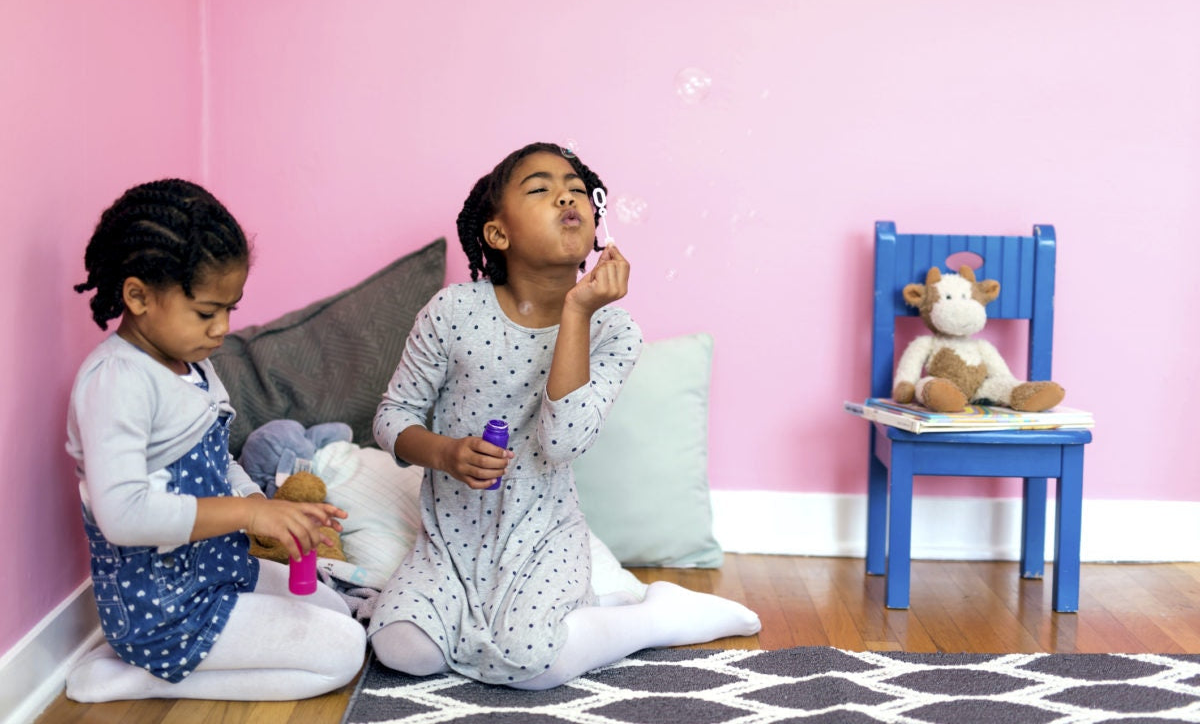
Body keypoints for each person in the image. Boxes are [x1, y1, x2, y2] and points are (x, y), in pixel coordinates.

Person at [368, 143, 760, 690]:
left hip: (543, 536)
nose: (566, 195)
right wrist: (445, 453)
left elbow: (562, 442)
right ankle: (588, 611)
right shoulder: (453, 311)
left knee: (534, 663)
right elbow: (391, 417)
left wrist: (578, 309)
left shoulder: (614, 331)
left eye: (577, 187)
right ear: (498, 234)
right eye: (540, 188)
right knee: (401, 649)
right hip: (449, 538)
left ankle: (653, 618)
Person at [64, 179, 366, 702]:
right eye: (207, 312)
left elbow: (217, 458)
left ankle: (167, 665)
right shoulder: (115, 382)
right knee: (341, 651)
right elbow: (123, 515)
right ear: (137, 296)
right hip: (162, 608)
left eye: (231, 308)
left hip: (218, 571)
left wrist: (265, 507)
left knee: (336, 612)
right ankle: (139, 676)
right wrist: (247, 517)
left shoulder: (194, 367)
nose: (222, 328)